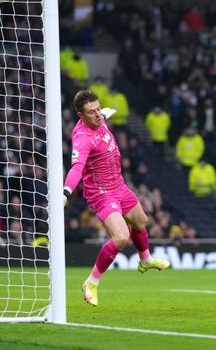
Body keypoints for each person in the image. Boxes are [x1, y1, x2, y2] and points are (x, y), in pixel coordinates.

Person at [63, 90, 170, 307]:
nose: (98, 115)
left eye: (98, 109)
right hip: (102, 193)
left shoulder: (99, 118)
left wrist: (106, 112)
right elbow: (77, 168)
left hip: (119, 185)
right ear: (80, 115)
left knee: (141, 222)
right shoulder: (82, 139)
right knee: (121, 237)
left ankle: (146, 260)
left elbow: (104, 114)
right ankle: (91, 283)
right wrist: (65, 193)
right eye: (91, 112)